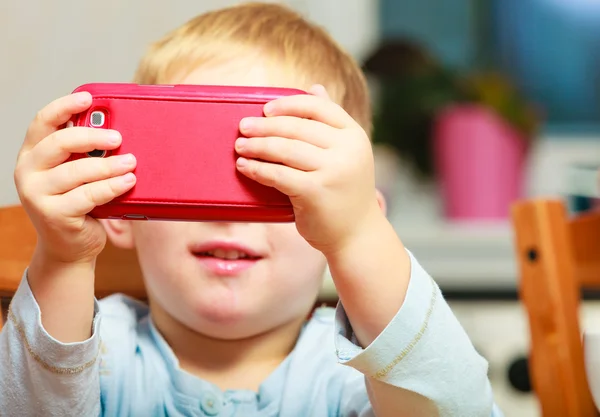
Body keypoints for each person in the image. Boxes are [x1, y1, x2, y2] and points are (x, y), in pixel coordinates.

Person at [0, 3, 503, 416]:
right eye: (196, 168)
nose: (230, 213)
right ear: (119, 211)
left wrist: (358, 239)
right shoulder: (87, 351)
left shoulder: (353, 380)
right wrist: (63, 258)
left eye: (277, 178)